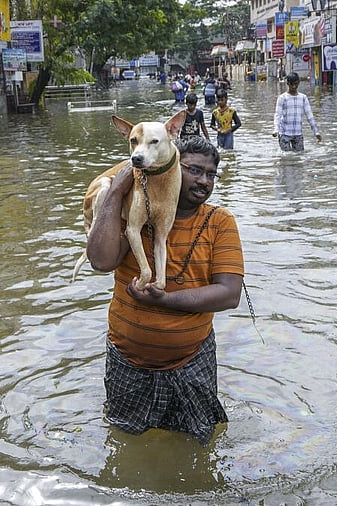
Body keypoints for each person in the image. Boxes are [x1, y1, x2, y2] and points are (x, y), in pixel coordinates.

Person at [85, 136, 244, 444]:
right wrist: (116, 190)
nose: (204, 181)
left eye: (211, 174)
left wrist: (166, 300)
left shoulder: (219, 222)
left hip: (192, 359)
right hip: (127, 359)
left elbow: (229, 294)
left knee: (198, 442)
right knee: (125, 441)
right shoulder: (133, 216)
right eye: (194, 171)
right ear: (167, 168)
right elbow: (101, 262)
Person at [272, 72, 322, 152]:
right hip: (284, 133)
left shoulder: (303, 98)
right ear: (288, 83)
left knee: (299, 157)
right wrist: (276, 130)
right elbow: (277, 115)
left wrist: (316, 132)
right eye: (291, 84)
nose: (293, 86)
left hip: (298, 133)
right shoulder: (282, 98)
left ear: (298, 83)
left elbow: (310, 116)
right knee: (286, 158)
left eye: (295, 84)